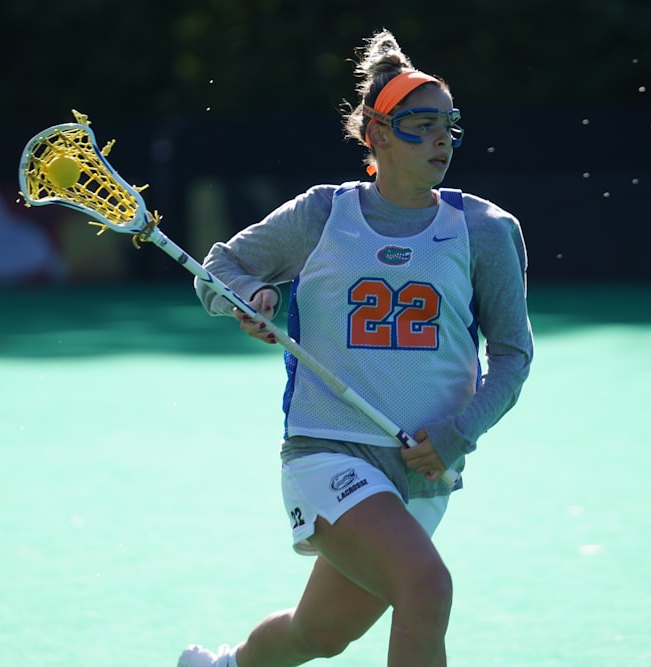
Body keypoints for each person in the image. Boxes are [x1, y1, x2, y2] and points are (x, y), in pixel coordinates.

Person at [178, 28, 533, 667]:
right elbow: (221, 269)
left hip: (424, 468)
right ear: (376, 134)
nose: (440, 141)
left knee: (319, 634)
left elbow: (512, 356)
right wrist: (250, 298)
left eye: (448, 126)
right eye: (420, 125)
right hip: (326, 450)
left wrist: (459, 432)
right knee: (426, 587)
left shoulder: (485, 230)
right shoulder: (322, 215)